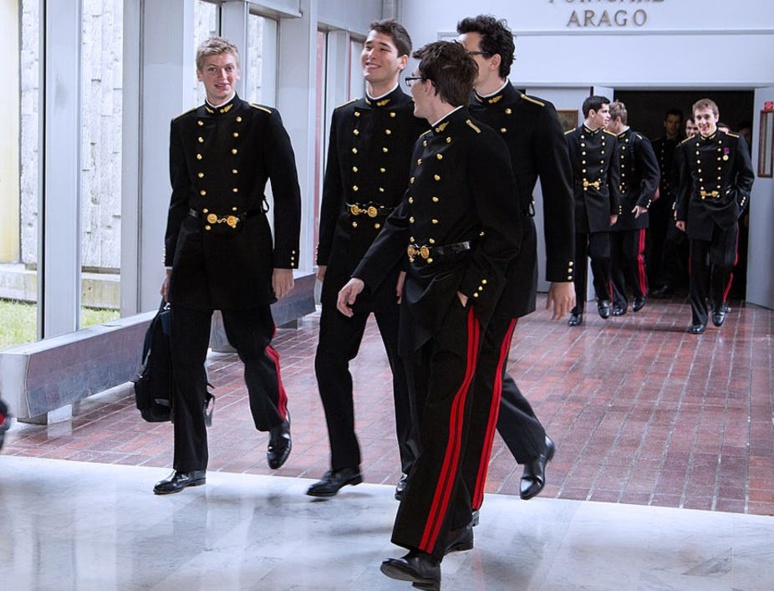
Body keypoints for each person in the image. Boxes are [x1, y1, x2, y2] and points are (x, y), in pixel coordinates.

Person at [338, 40, 521, 591]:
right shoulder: (426, 142)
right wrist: (362, 275)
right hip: (419, 293)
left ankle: (425, 551)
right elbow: (401, 220)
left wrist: (472, 294)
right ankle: (455, 520)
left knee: (443, 425)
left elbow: (506, 234)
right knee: (425, 419)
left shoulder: (481, 143)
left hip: (456, 301)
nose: (411, 87)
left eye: (417, 79)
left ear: (433, 86)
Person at [155, 37, 302, 495]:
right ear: (199, 74)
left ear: (238, 72)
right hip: (194, 250)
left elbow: (289, 193)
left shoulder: (262, 121)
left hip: (246, 248)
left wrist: (285, 262)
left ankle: (276, 421)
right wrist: (169, 265)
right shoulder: (183, 126)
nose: (223, 77)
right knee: (184, 358)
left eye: (230, 68)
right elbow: (179, 199)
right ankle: (190, 465)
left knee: (253, 347)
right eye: (214, 69)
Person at [455, 14, 575, 514]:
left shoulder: (534, 113)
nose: (459, 64)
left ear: (494, 60)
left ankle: (466, 501)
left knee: (485, 368)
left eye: (469, 56)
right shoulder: (456, 108)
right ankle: (532, 445)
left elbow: (561, 197)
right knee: (475, 367)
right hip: (459, 258)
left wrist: (562, 275)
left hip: (509, 259)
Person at [308, 19, 425, 500]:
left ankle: (411, 466)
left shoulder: (416, 115)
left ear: (402, 61)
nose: (370, 54)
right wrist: (323, 258)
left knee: (405, 369)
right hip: (347, 254)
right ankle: (344, 463)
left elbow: (419, 199)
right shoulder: (343, 115)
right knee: (329, 361)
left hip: (394, 260)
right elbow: (333, 189)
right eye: (367, 47)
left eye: (382, 48)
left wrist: (408, 264)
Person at [675, 98, 754, 334]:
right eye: (698, 118)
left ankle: (719, 303)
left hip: (725, 208)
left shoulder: (734, 141)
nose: (703, 122)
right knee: (697, 268)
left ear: (716, 118)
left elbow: (746, 177)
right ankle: (698, 318)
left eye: (707, 117)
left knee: (724, 263)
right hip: (698, 209)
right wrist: (680, 213)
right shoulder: (688, 147)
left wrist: (738, 206)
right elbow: (684, 183)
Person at [565, 96, 620, 326]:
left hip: (600, 203)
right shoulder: (571, 139)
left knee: (601, 255)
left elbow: (614, 177)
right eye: (605, 111)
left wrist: (615, 208)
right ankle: (576, 308)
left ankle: (603, 297)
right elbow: (565, 177)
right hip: (577, 204)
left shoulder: (610, 140)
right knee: (576, 260)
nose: (608, 116)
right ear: (592, 113)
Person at [607, 101, 660, 315]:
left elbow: (653, 174)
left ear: (618, 121)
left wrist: (643, 201)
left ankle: (640, 292)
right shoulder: (607, 142)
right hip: (612, 207)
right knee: (612, 257)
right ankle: (618, 301)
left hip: (634, 206)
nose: (604, 124)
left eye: (607, 120)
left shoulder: (638, 141)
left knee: (633, 255)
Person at [649, 108, 683, 296]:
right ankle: (654, 278)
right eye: (670, 122)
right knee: (656, 239)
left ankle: (670, 280)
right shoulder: (656, 144)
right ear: (665, 123)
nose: (673, 126)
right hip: (658, 199)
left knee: (673, 241)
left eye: (677, 122)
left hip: (675, 198)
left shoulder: (683, 144)